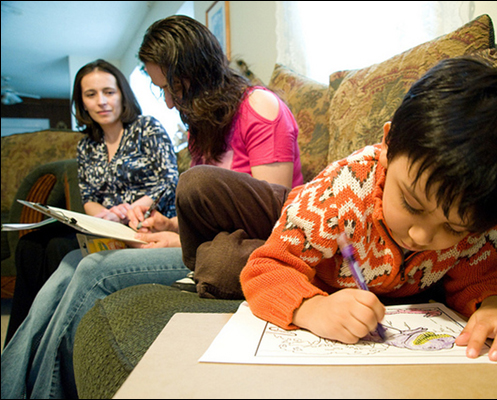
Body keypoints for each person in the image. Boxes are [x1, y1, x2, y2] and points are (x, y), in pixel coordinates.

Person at [1, 15, 302, 399]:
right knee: (67, 266)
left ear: (197, 70)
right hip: (208, 241)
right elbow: (213, 210)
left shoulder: (259, 106)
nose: (170, 101)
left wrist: (180, 242)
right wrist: (171, 224)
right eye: (162, 90)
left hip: (249, 247)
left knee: (93, 272)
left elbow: (271, 214)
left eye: (172, 87)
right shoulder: (202, 125)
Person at [240, 57, 497, 363]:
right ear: (389, 144)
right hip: (305, 240)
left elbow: (480, 280)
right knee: (226, 264)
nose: (421, 235)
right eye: (411, 204)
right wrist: (312, 309)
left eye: (454, 229)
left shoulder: (475, 220)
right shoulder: (333, 200)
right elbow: (266, 269)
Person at [3, 59, 178, 346]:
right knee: (30, 246)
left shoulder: (146, 128)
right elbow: (90, 199)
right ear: (82, 102)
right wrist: (107, 214)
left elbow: (169, 180)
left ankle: (54, 338)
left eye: (109, 92)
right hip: (104, 227)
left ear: (122, 94)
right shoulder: (87, 144)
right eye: (91, 94)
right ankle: (21, 343)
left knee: (59, 248)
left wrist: (135, 206)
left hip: (144, 224)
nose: (101, 102)